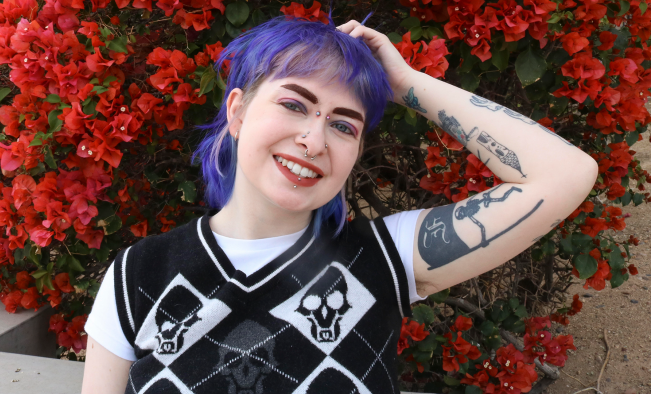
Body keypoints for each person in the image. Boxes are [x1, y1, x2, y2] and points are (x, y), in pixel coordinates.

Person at [81, 14, 598, 394]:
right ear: (237, 112)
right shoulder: (138, 274)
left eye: (344, 123)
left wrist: (406, 84)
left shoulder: (386, 259)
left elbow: (567, 174)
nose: (314, 139)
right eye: (293, 104)